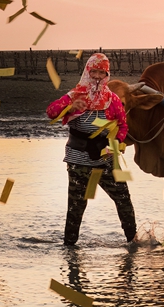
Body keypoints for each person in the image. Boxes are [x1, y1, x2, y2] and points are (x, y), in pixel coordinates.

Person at [46, 52, 139, 247]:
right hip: (78, 160)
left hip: (106, 160)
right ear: (87, 71)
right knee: (76, 207)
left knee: (124, 200)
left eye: (102, 73)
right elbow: (51, 111)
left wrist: (117, 145)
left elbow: (122, 126)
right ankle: (69, 247)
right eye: (94, 71)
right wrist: (70, 107)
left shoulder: (112, 100)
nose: (97, 77)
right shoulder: (75, 95)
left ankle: (133, 242)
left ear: (107, 75)